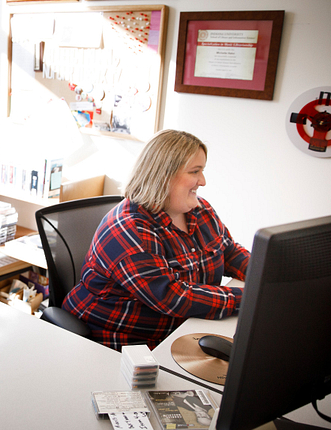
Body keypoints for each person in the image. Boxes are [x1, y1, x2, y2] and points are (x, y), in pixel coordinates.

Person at [62, 129, 250, 350]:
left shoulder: (200, 210)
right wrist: (247, 298)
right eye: (195, 171)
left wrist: (267, 277)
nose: (203, 181)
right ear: (164, 175)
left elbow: (230, 252)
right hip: (118, 341)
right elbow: (172, 297)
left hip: (182, 330)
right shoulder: (131, 229)